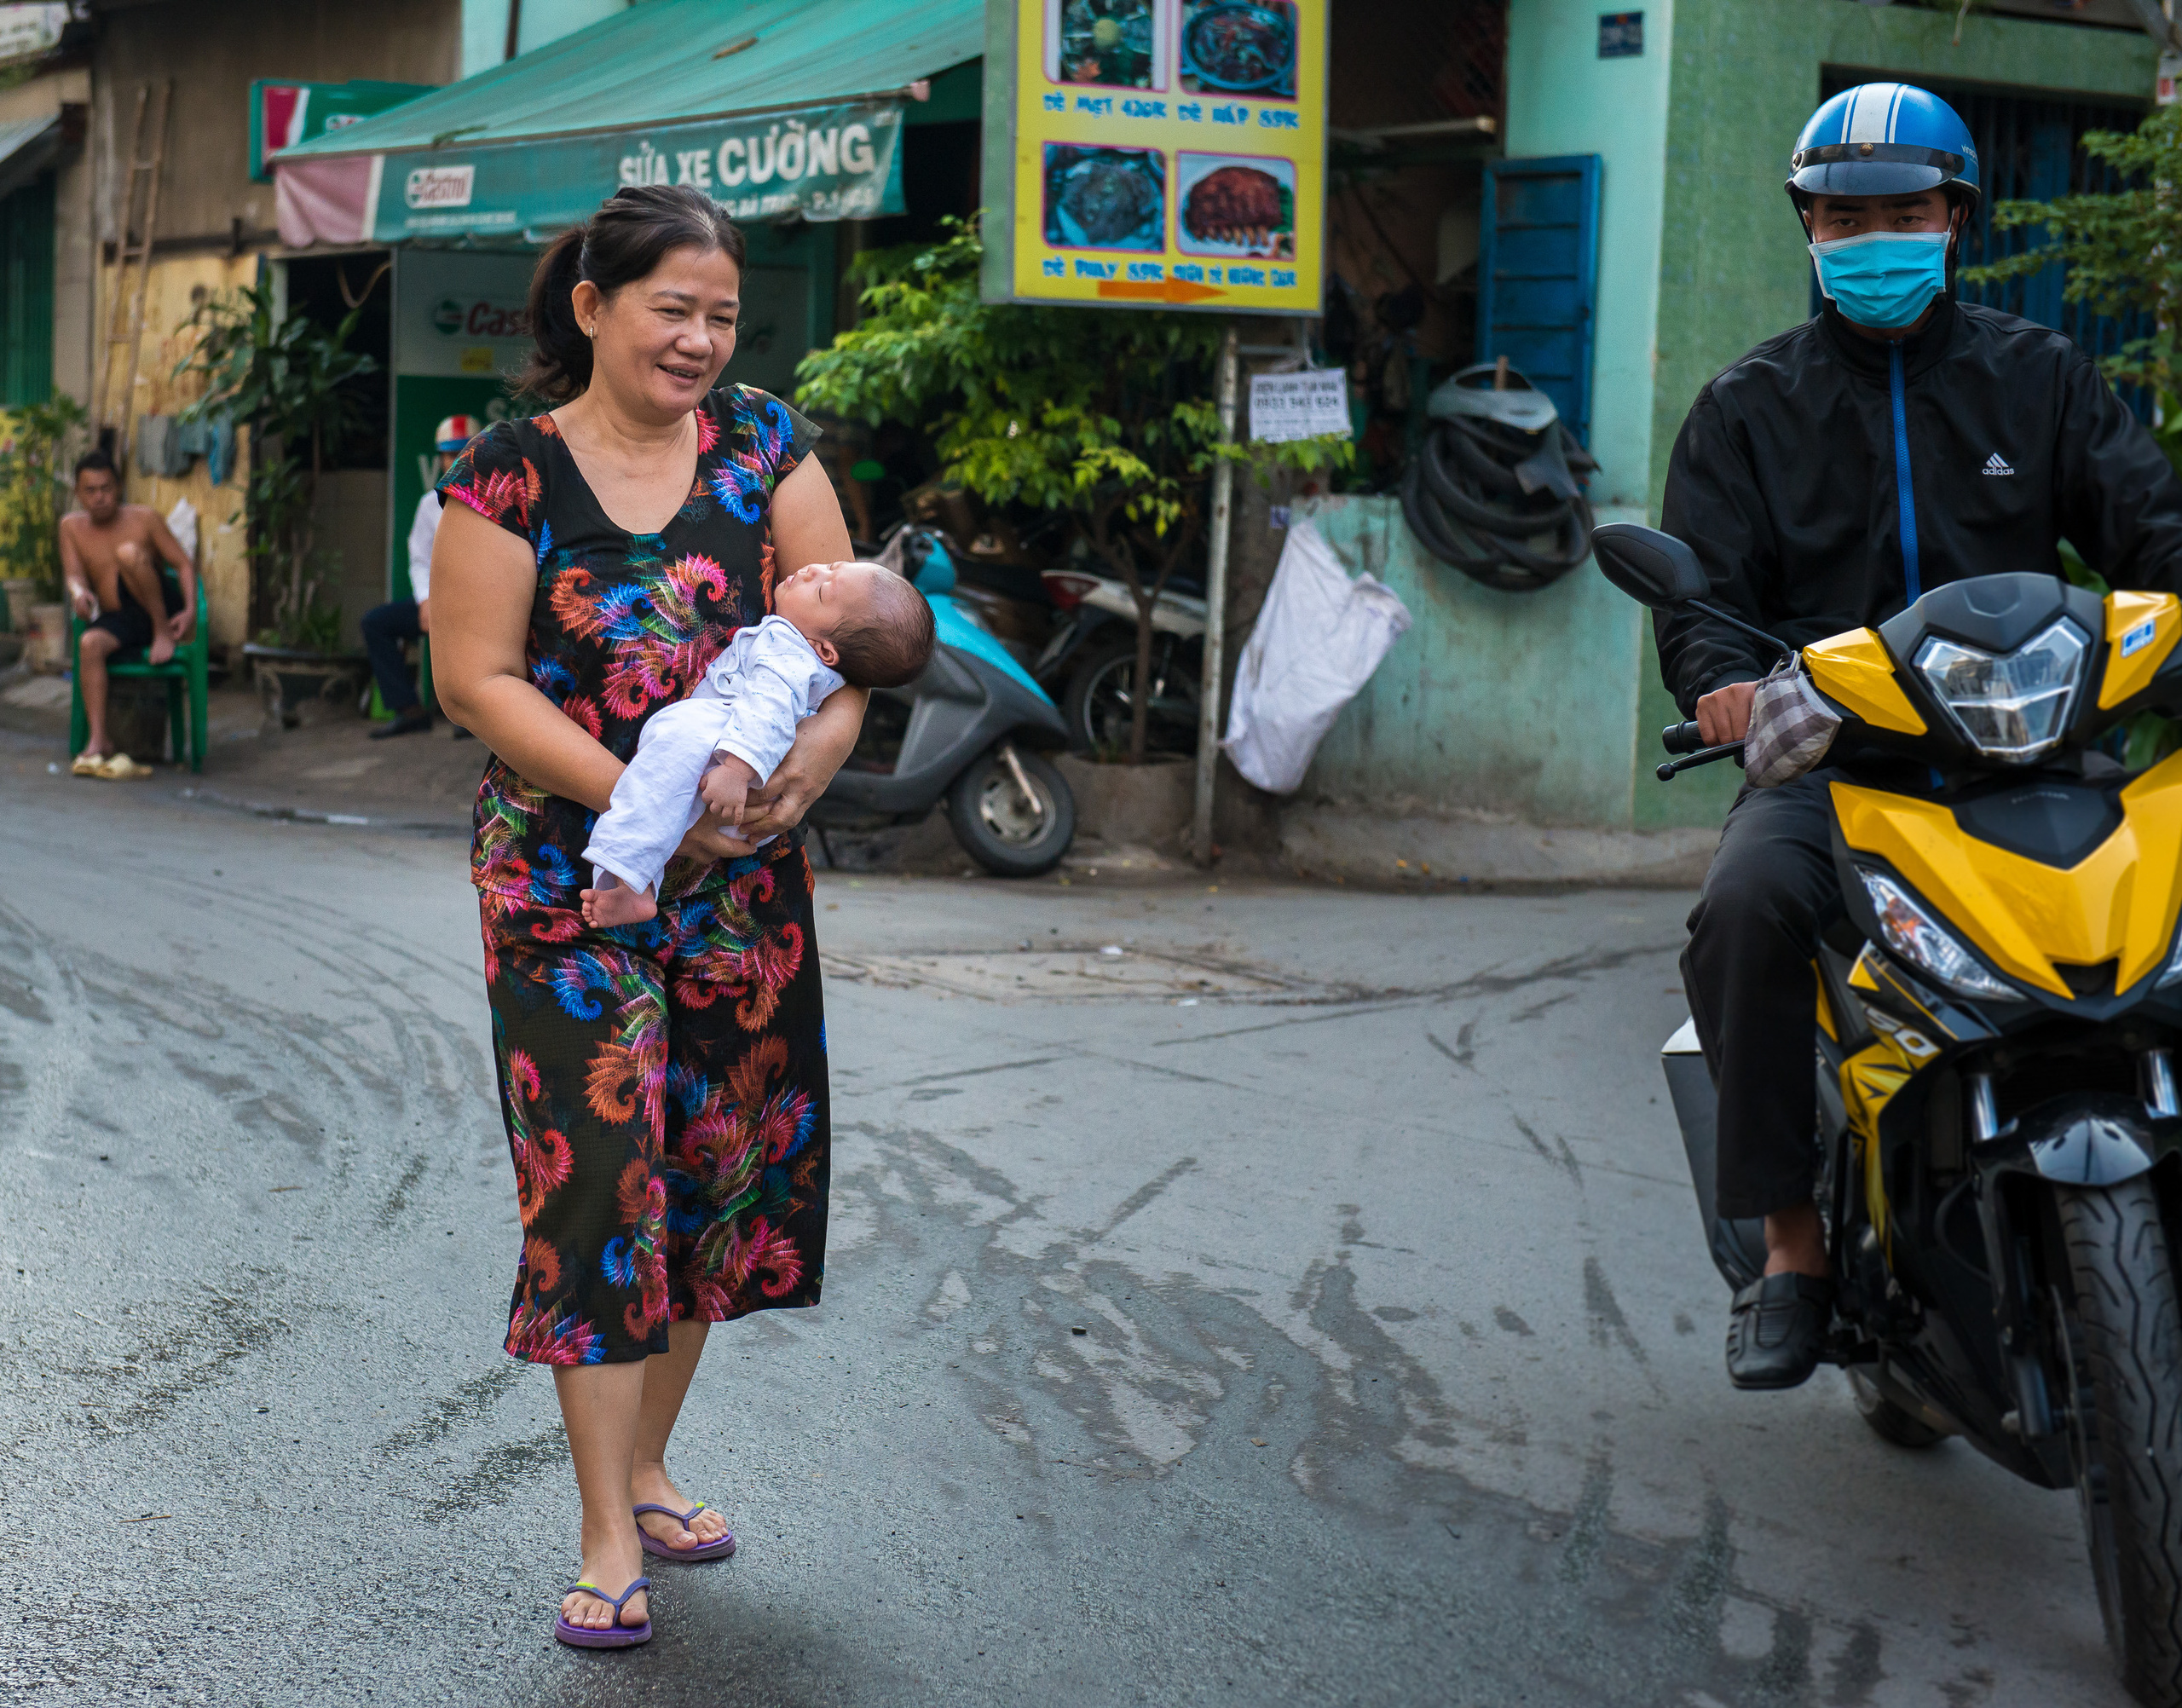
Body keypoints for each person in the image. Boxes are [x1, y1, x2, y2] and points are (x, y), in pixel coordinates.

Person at [1658, 82, 2182, 1391]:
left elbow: (2156, 542)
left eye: (1902, 209)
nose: (1874, 234)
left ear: (1954, 218)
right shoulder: (1747, 408)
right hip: (1842, 767)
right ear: (1808, 228)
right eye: (1846, 215)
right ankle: (1791, 1248)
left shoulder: (2043, 378)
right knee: (1743, 911)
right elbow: (1706, 606)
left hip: (2041, 750)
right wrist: (1722, 681)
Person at [429, 184, 865, 1650]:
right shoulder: (504, 473)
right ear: (592, 306)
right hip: (566, 884)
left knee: (713, 1170)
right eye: (671, 306)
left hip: (742, 884)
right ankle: (607, 1524)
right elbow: (476, 679)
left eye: (721, 314)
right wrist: (642, 795)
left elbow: (848, 630)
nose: (697, 338)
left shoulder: (764, 443)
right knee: (603, 1180)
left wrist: (811, 763)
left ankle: (652, 1458)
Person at [580, 559, 933, 927]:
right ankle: (631, 883)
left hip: (736, 766)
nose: (813, 570)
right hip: (739, 786)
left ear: (825, 650)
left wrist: (736, 769)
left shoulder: (790, 656)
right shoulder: (796, 648)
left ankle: (632, 881)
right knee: (662, 786)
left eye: (824, 590)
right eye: (831, 566)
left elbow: (769, 713)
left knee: (673, 745)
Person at [59, 447, 198, 774]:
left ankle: (161, 631)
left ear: (118, 488)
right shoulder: (71, 527)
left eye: (106, 488)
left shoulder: (144, 518)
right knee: (89, 645)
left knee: (128, 553)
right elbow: (74, 575)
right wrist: (79, 593)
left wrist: (190, 609)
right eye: (90, 491)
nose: (100, 497)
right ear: (78, 494)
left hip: (158, 607)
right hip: (120, 618)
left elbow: (183, 565)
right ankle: (99, 741)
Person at [360, 415, 480, 740]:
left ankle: (475, 716)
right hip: (440, 601)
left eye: (463, 452)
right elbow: (419, 559)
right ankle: (409, 710)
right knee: (376, 622)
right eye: (448, 454)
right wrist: (425, 598)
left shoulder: (499, 500)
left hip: (484, 605)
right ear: (440, 458)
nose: (454, 461)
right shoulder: (430, 505)